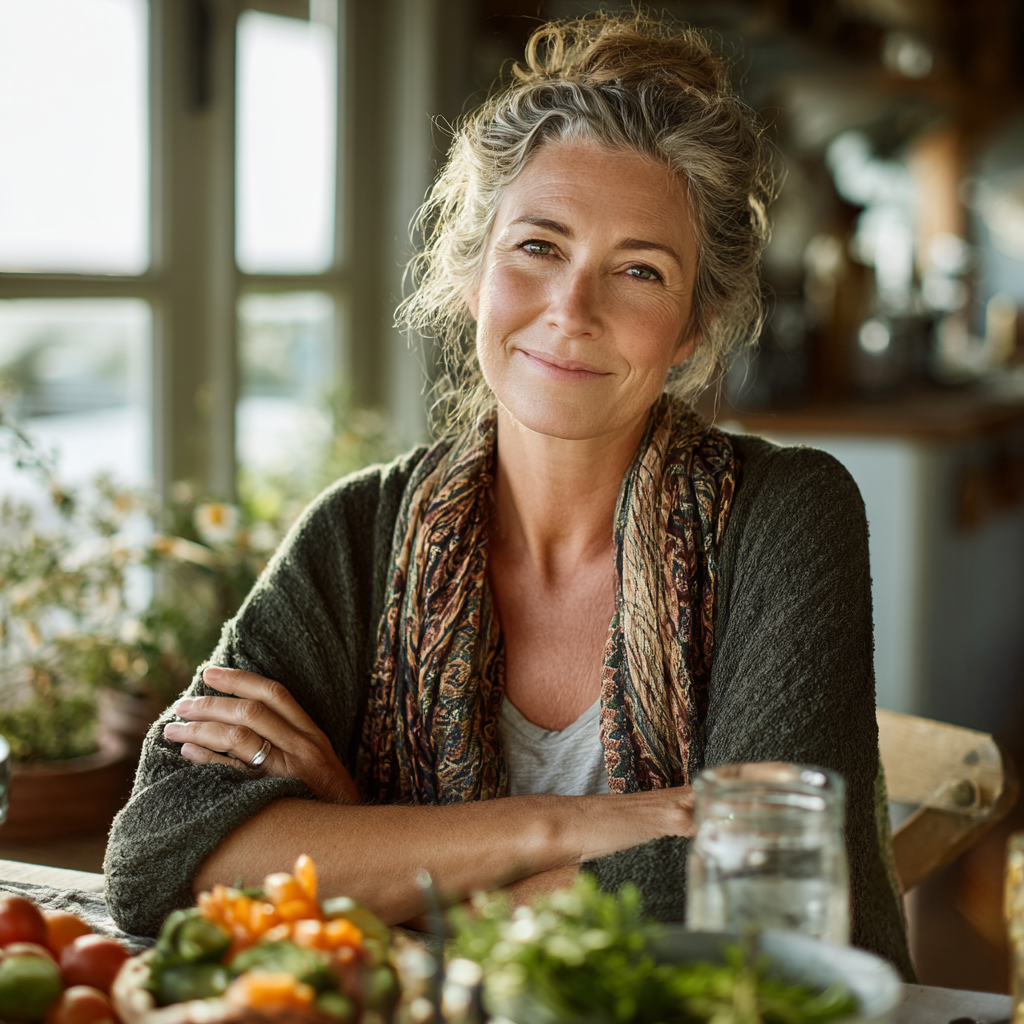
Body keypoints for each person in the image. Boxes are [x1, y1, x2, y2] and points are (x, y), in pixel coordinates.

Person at [105, 13, 912, 978]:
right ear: (473, 270)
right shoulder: (358, 533)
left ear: (692, 330)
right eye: (538, 247)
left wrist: (371, 848)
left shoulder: (790, 516)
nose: (572, 310)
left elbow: (758, 897)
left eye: (640, 270)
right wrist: (562, 828)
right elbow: (159, 855)